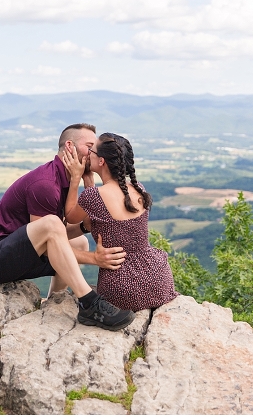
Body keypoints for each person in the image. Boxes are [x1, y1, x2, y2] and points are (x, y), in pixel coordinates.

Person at [0, 123, 135, 331]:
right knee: (51, 225)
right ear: (70, 146)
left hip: (20, 255)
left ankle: (53, 302)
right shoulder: (45, 183)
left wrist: (85, 226)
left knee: (79, 241)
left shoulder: (66, 180)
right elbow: (48, 239)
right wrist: (95, 259)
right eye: (90, 145)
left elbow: (56, 236)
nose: (95, 151)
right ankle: (89, 303)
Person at [62, 133, 179, 311]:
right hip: (157, 278)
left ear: (101, 161)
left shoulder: (93, 197)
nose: (88, 154)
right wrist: (90, 184)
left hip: (121, 286)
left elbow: (70, 215)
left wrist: (75, 178)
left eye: (91, 151)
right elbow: (100, 207)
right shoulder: (139, 188)